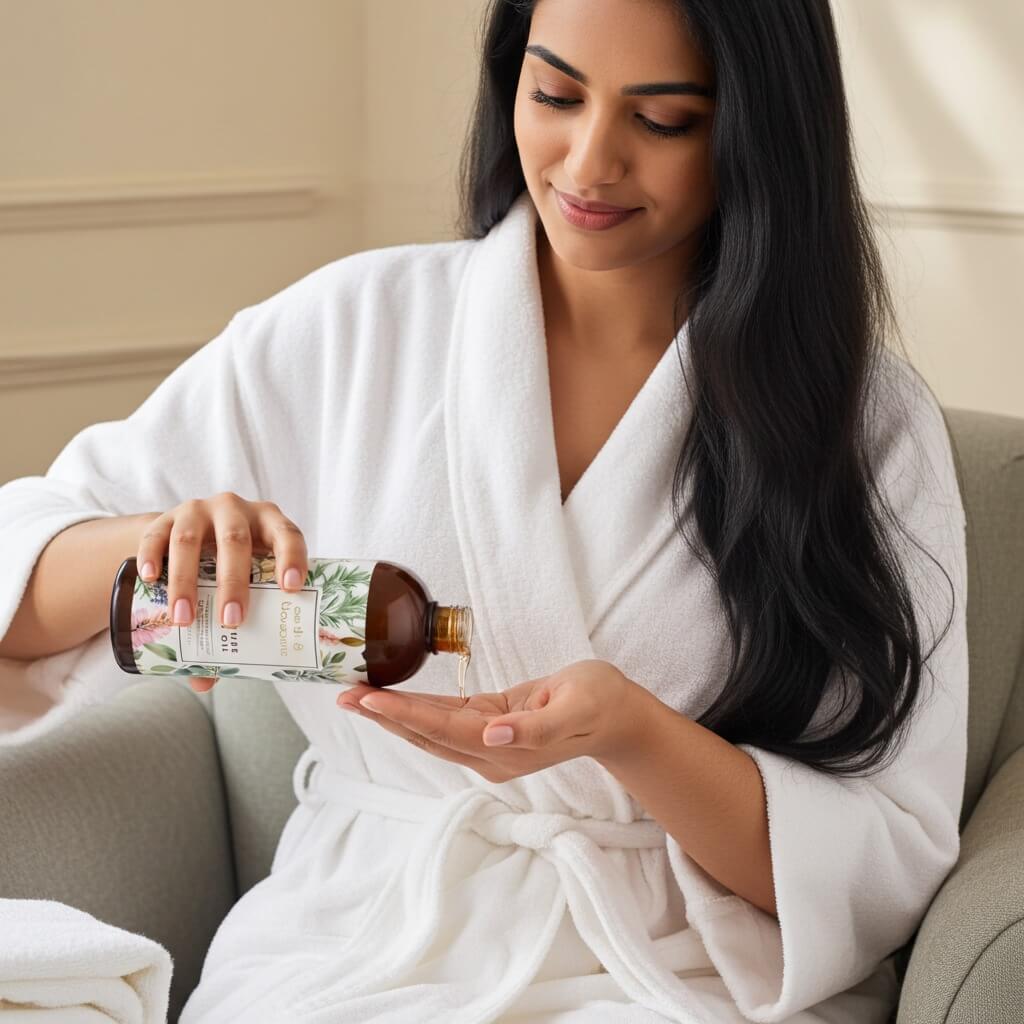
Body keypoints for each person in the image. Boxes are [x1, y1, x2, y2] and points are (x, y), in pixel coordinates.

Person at [0, 0, 967, 1021]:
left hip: (675, 970)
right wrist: (149, 549)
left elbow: (878, 855)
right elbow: (17, 581)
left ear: (758, 130)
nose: (589, 163)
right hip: (355, 942)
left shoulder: (865, 425)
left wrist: (631, 734)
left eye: (663, 119)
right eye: (554, 94)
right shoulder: (348, 329)